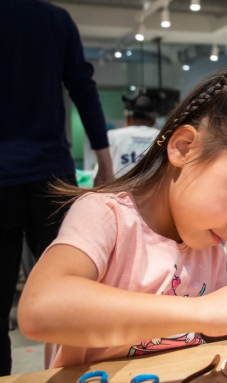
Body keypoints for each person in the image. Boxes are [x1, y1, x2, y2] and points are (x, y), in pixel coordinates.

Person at [17, 68, 227, 368]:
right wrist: (201, 312)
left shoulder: (207, 246)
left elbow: (211, 334)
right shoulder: (106, 215)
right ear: (183, 148)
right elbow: (41, 309)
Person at [0, 0, 113, 374]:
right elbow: (83, 88)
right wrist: (105, 162)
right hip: (51, 175)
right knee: (69, 299)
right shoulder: (54, 19)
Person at [108, 94, 160, 177]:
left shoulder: (112, 136)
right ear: (153, 119)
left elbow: (103, 172)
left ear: (128, 117)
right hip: (155, 189)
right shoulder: (162, 136)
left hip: (119, 189)